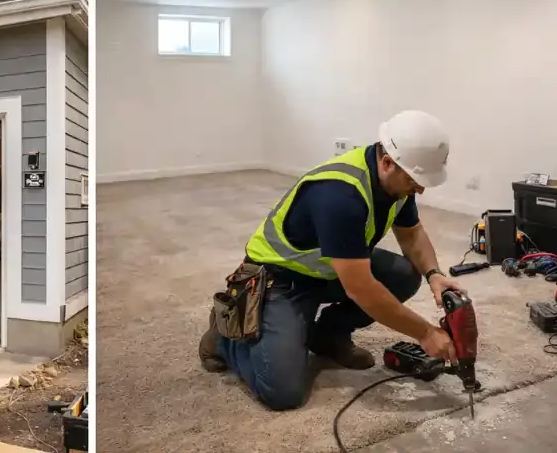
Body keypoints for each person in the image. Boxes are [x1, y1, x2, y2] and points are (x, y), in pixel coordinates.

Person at [198, 110, 467, 410]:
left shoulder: (396, 179)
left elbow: (412, 233)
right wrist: (426, 333)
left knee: (405, 274)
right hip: (280, 278)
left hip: (329, 269)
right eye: (415, 179)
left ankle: (328, 337)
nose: (420, 188)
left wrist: (434, 274)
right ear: (388, 162)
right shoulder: (340, 195)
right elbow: (361, 288)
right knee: (282, 392)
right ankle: (223, 339)